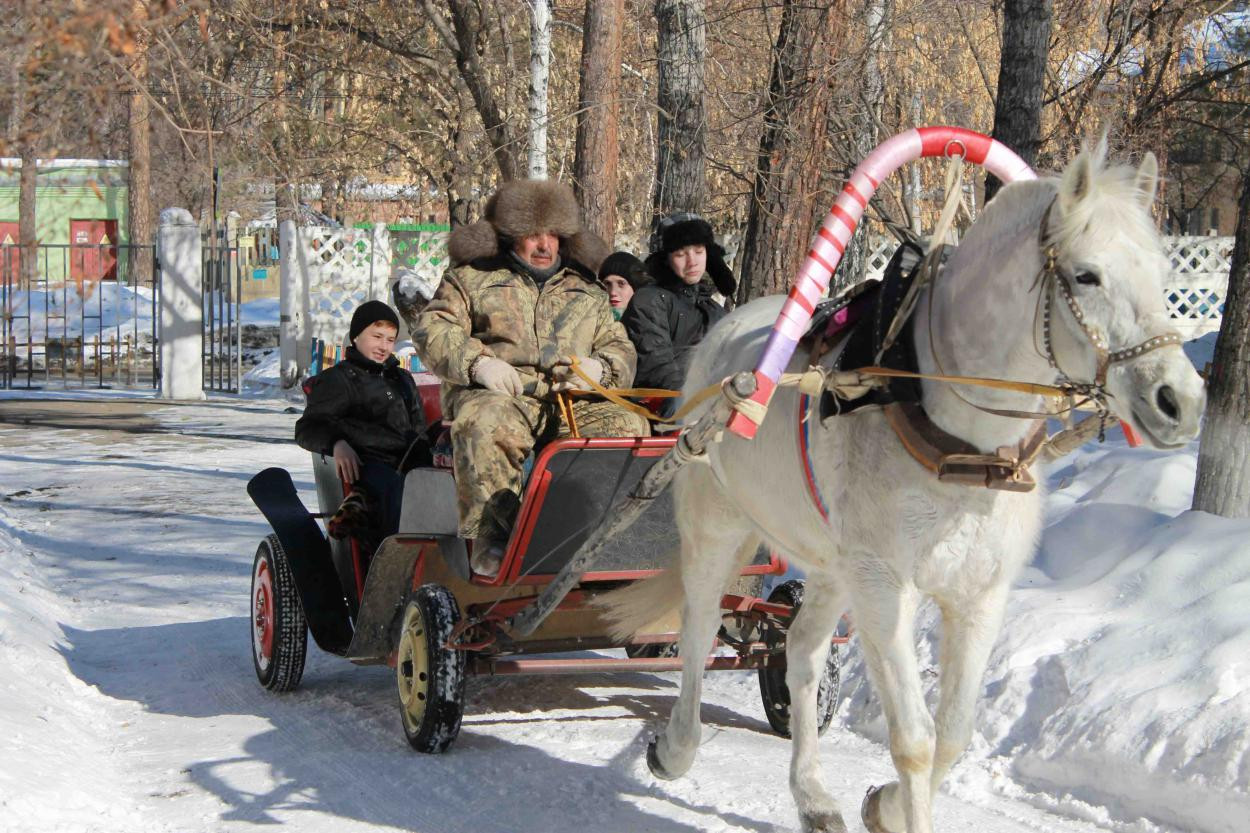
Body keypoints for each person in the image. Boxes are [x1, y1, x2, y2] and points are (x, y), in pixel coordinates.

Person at [412, 179, 649, 577]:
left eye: (553, 235)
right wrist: (479, 365)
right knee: (485, 425)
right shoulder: (469, 280)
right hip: (500, 394)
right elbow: (433, 330)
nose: (544, 246)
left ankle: (600, 532)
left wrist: (601, 369)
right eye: (532, 235)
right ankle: (495, 537)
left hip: (569, 400)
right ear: (509, 236)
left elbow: (619, 345)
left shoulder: (585, 289)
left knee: (630, 426)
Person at [294, 300, 421, 550]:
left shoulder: (402, 379)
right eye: (376, 337)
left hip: (407, 461)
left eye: (390, 339)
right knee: (398, 490)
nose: (383, 346)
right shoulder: (339, 380)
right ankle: (392, 562)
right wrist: (337, 443)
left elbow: (419, 430)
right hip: (367, 464)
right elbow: (308, 428)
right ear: (356, 337)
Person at [622, 213, 736, 394]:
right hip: (664, 404)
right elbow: (656, 368)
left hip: (714, 402)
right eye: (680, 254)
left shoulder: (715, 310)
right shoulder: (649, 301)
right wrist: (696, 400)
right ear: (665, 259)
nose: (692, 262)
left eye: (699, 251)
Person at [597, 251, 651, 320]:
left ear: (636, 288)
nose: (613, 292)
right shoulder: (589, 321)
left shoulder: (648, 324)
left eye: (621, 284)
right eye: (607, 284)